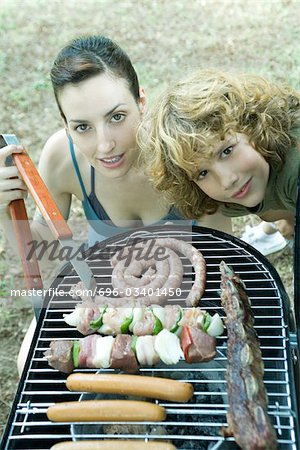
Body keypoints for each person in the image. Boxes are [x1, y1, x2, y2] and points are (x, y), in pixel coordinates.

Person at [0, 38, 231, 373]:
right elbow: (38, 246)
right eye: (82, 127)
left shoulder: (181, 151)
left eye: (117, 117)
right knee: (27, 363)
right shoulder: (63, 157)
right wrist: (3, 210)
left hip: (190, 300)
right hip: (100, 300)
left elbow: (223, 253)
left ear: (142, 102)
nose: (105, 144)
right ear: (66, 124)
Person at [139, 69, 299, 246]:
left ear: (252, 124)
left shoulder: (295, 168)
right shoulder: (219, 191)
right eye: (202, 173)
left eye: (227, 151)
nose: (226, 180)